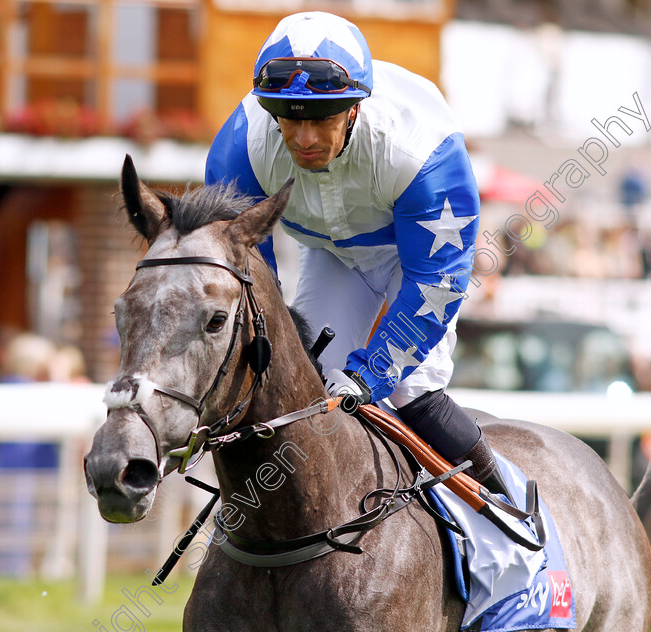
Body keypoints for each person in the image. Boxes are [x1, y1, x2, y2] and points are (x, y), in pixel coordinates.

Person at [205, 12, 512, 499]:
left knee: (411, 393)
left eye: (322, 119)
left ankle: (512, 510)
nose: (304, 139)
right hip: (331, 255)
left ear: (353, 110)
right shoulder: (239, 150)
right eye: (289, 117)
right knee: (304, 392)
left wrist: (372, 375)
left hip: (416, 265)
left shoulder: (420, 151)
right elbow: (249, 272)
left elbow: (437, 285)